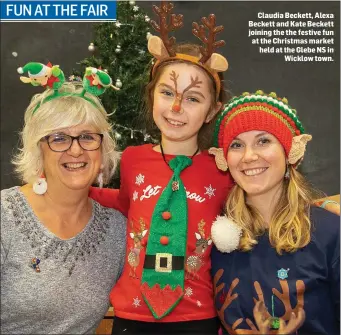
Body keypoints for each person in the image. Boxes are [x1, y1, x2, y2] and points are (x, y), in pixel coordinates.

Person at [89, 2, 233, 334]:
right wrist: (75, 189)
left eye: (194, 98)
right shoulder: (134, 159)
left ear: (213, 110)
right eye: (167, 93)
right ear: (152, 96)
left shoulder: (222, 168)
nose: (177, 107)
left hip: (197, 319)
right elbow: (125, 202)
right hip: (132, 317)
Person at [1, 63, 126, 334]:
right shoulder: (4, 217)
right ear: (39, 150)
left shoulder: (117, 230)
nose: (76, 150)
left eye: (87, 137)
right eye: (59, 138)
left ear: (102, 148)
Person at [209, 90, 340, 335]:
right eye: (237, 145)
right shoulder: (218, 240)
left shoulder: (331, 234)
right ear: (224, 159)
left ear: (289, 151)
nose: (249, 156)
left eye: (263, 141)